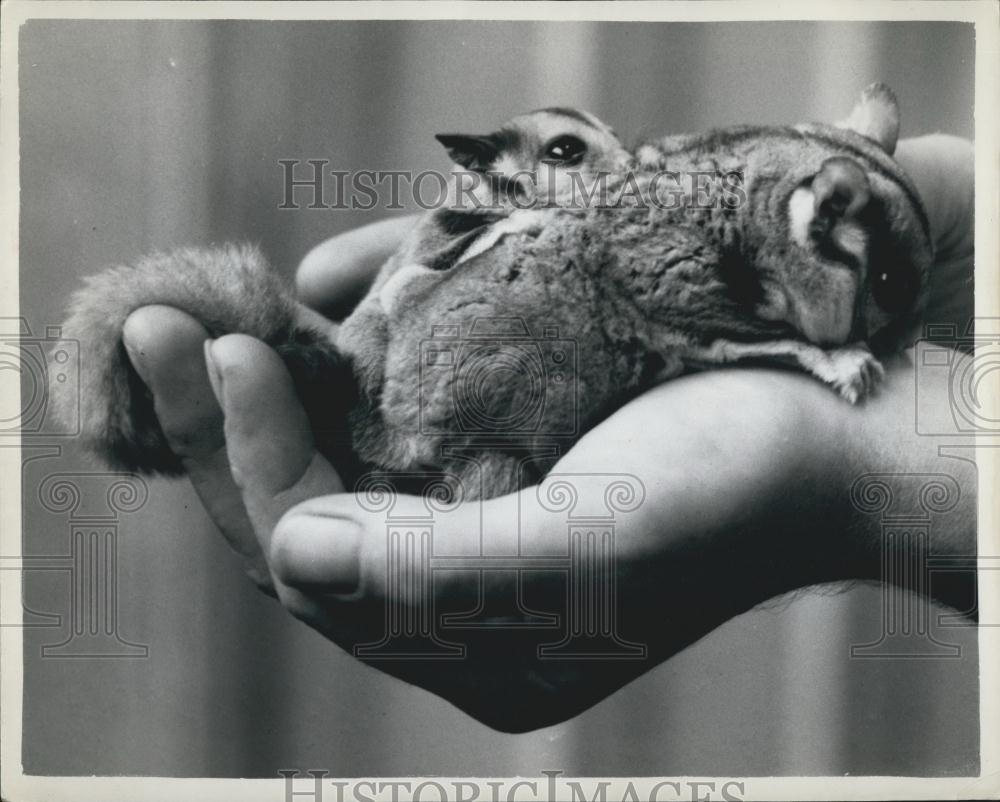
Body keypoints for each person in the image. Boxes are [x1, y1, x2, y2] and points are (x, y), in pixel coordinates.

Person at [120, 135, 976, 733]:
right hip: (474, 404)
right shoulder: (699, 240)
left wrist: (849, 452)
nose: (875, 330)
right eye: (876, 289)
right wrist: (809, 362)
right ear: (816, 215)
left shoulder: (726, 212)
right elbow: (676, 326)